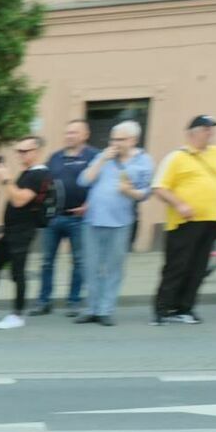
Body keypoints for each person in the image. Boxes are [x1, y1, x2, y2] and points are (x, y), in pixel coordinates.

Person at [150, 115, 216, 325]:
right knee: (177, 266)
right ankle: (163, 309)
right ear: (193, 133)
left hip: (211, 221)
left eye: (211, 129)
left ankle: (185, 308)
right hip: (184, 223)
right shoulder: (176, 157)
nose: (210, 132)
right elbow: (159, 187)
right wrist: (179, 204)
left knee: (198, 267)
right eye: (206, 128)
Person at [75, 120, 154, 326]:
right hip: (92, 221)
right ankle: (92, 308)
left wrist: (129, 192)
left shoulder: (144, 161)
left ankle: (105, 309)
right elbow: (83, 180)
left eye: (120, 139)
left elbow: (145, 193)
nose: (115, 143)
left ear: (133, 140)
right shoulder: (103, 156)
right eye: (113, 139)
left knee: (113, 268)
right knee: (90, 267)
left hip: (120, 223)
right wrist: (102, 159)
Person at [0, 136, 52, 330]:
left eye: (24, 151)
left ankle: (17, 315)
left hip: (23, 232)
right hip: (9, 232)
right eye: (18, 151)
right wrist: (2, 230)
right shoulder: (26, 173)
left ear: (36, 151)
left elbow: (19, 200)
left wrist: (5, 179)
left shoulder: (40, 175)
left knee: (18, 273)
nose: (20, 155)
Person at [33, 121, 100, 316]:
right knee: (47, 261)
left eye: (74, 132)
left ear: (85, 134)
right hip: (54, 218)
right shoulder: (55, 157)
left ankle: (74, 301)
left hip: (79, 219)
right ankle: (43, 301)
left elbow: (102, 184)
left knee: (78, 261)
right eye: (67, 132)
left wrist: (89, 205)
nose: (69, 136)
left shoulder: (94, 156)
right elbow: (45, 184)